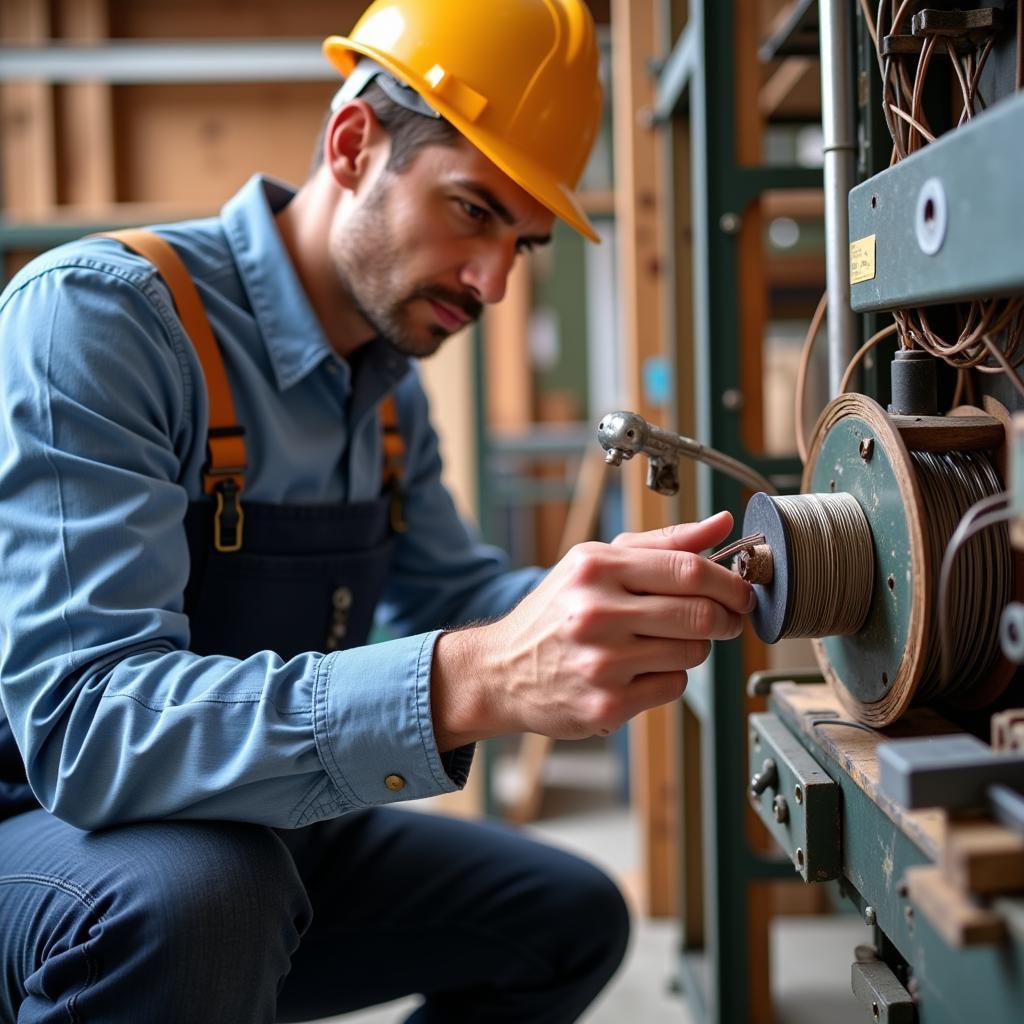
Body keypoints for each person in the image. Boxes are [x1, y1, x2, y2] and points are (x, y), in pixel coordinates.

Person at [0, 1, 755, 1021]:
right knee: (204, 898)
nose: (491, 281)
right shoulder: (103, 318)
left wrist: (624, 598)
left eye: (521, 245)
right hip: (41, 826)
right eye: (473, 210)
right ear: (353, 144)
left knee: (570, 916)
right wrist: (469, 677)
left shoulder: (388, 391)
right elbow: (88, 726)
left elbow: (461, 592)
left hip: (242, 820)